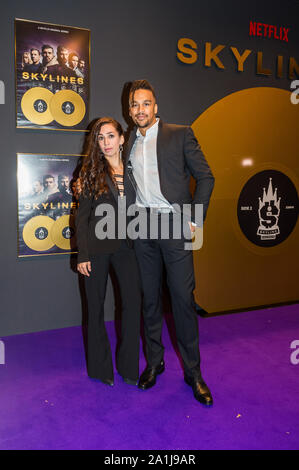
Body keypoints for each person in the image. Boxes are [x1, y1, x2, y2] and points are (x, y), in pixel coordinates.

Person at [125, 79, 215, 405]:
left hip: (175, 226)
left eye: (145, 103)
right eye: (134, 105)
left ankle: (194, 372)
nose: (140, 110)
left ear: (155, 106)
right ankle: (154, 362)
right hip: (143, 228)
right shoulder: (127, 143)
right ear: (129, 109)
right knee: (150, 300)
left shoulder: (180, 134)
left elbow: (206, 176)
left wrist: (194, 220)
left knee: (181, 300)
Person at [76, 117, 141, 386]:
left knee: (132, 306)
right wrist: (83, 255)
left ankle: (128, 367)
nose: (106, 143)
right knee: (95, 307)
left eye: (111, 136)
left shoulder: (135, 169)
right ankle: (100, 369)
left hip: (128, 249)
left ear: (122, 138)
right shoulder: (90, 172)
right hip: (97, 248)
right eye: (101, 138)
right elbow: (81, 217)